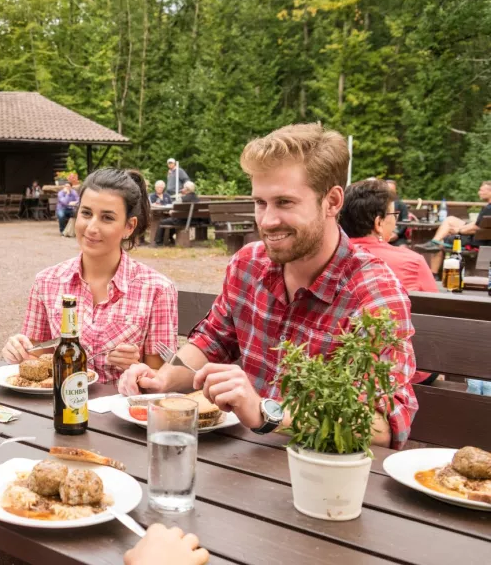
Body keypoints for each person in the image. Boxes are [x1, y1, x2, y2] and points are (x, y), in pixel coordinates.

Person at [119, 123, 419, 450]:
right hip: (244, 464)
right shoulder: (249, 264)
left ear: (332, 201)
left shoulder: (373, 294)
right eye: (261, 203)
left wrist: (266, 412)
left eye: (284, 202)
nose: (267, 220)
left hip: (325, 474)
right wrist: (162, 379)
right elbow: (212, 340)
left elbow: (382, 424)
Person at [2, 168, 177, 383]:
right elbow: (36, 363)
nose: (91, 227)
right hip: (60, 410)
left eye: (107, 218)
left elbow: (161, 380)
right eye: (86, 213)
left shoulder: (157, 289)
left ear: (129, 227)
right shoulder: (47, 282)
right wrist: (18, 351)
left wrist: (137, 367)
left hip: (120, 412)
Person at [341, 179, 439, 293]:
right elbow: (436, 307)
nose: (394, 221)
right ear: (379, 223)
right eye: (393, 215)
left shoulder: (325, 259)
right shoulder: (413, 263)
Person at [423, 180, 491, 249]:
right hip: (481, 237)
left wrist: (458, 231)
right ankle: (434, 241)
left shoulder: (488, 209)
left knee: (442, 243)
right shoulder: (488, 207)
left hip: (476, 241)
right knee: (450, 219)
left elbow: (475, 228)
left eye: (482, 190)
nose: (479, 193)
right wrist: (460, 228)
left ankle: (435, 243)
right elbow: (477, 225)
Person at [155, 181, 199, 246]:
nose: (182, 189)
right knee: (170, 220)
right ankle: (170, 238)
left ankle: (158, 242)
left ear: (187, 189)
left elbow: (174, 205)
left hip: (181, 220)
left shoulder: (182, 199)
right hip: (194, 220)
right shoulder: (197, 199)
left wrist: (171, 212)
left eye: (183, 188)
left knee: (162, 222)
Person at [383, 179, 411, 244]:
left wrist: (397, 234)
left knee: (403, 248)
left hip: (398, 235)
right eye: (388, 190)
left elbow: (405, 222)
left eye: (392, 190)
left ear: (395, 191)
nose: (390, 192)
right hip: (381, 235)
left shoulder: (401, 205)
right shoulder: (377, 204)